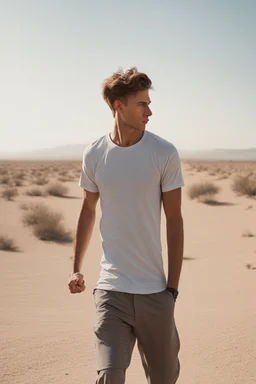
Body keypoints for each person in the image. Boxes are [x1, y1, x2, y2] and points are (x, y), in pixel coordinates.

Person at [68, 67, 184, 384]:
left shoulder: (164, 153)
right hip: (111, 291)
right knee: (109, 377)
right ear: (119, 105)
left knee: (164, 378)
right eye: (141, 104)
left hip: (155, 292)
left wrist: (171, 290)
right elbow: (88, 209)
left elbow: (174, 220)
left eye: (148, 103)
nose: (149, 111)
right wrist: (76, 267)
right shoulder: (94, 153)